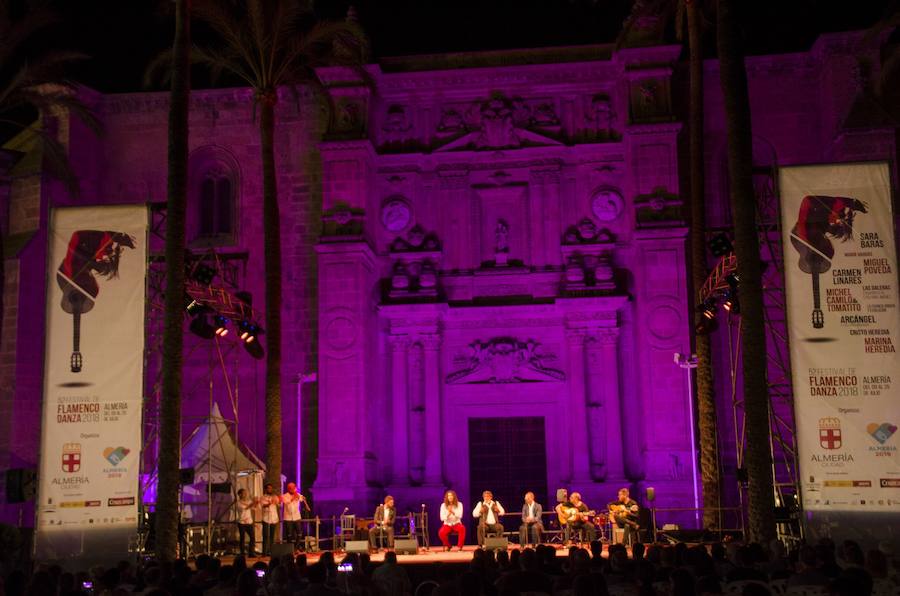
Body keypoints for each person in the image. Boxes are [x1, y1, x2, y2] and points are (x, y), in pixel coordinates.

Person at [281, 482, 306, 551]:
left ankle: (296, 548)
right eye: (290, 488)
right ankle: (290, 549)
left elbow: (303, 498)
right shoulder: (284, 496)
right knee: (289, 535)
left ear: (295, 488)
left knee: (299, 534)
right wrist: (293, 498)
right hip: (288, 518)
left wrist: (302, 497)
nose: (291, 489)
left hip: (297, 517)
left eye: (293, 487)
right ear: (288, 488)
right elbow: (287, 502)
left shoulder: (297, 494)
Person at [259, 483, 280, 556]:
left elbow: (279, 505)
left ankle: (271, 551)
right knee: (265, 536)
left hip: (274, 518)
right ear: (266, 489)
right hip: (266, 518)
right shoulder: (263, 497)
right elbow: (263, 505)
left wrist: (277, 501)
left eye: (271, 488)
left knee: (272, 536)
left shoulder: (275, 496)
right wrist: (270, 503)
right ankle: (264, 552)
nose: (270, 489)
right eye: (268, 488)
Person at [236, 488, 258, 557]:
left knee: (252, 537)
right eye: (243, 493)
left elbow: (254, 508)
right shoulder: (238, 503)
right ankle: (242, 553)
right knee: (242, 538)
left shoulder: (249, 501)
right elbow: (245, 508)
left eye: (246, 493)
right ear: (240, 494)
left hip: (249, 522)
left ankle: (251, 553)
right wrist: (253, 502)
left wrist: (256, 503)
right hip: (241, 522)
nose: (245, 494)